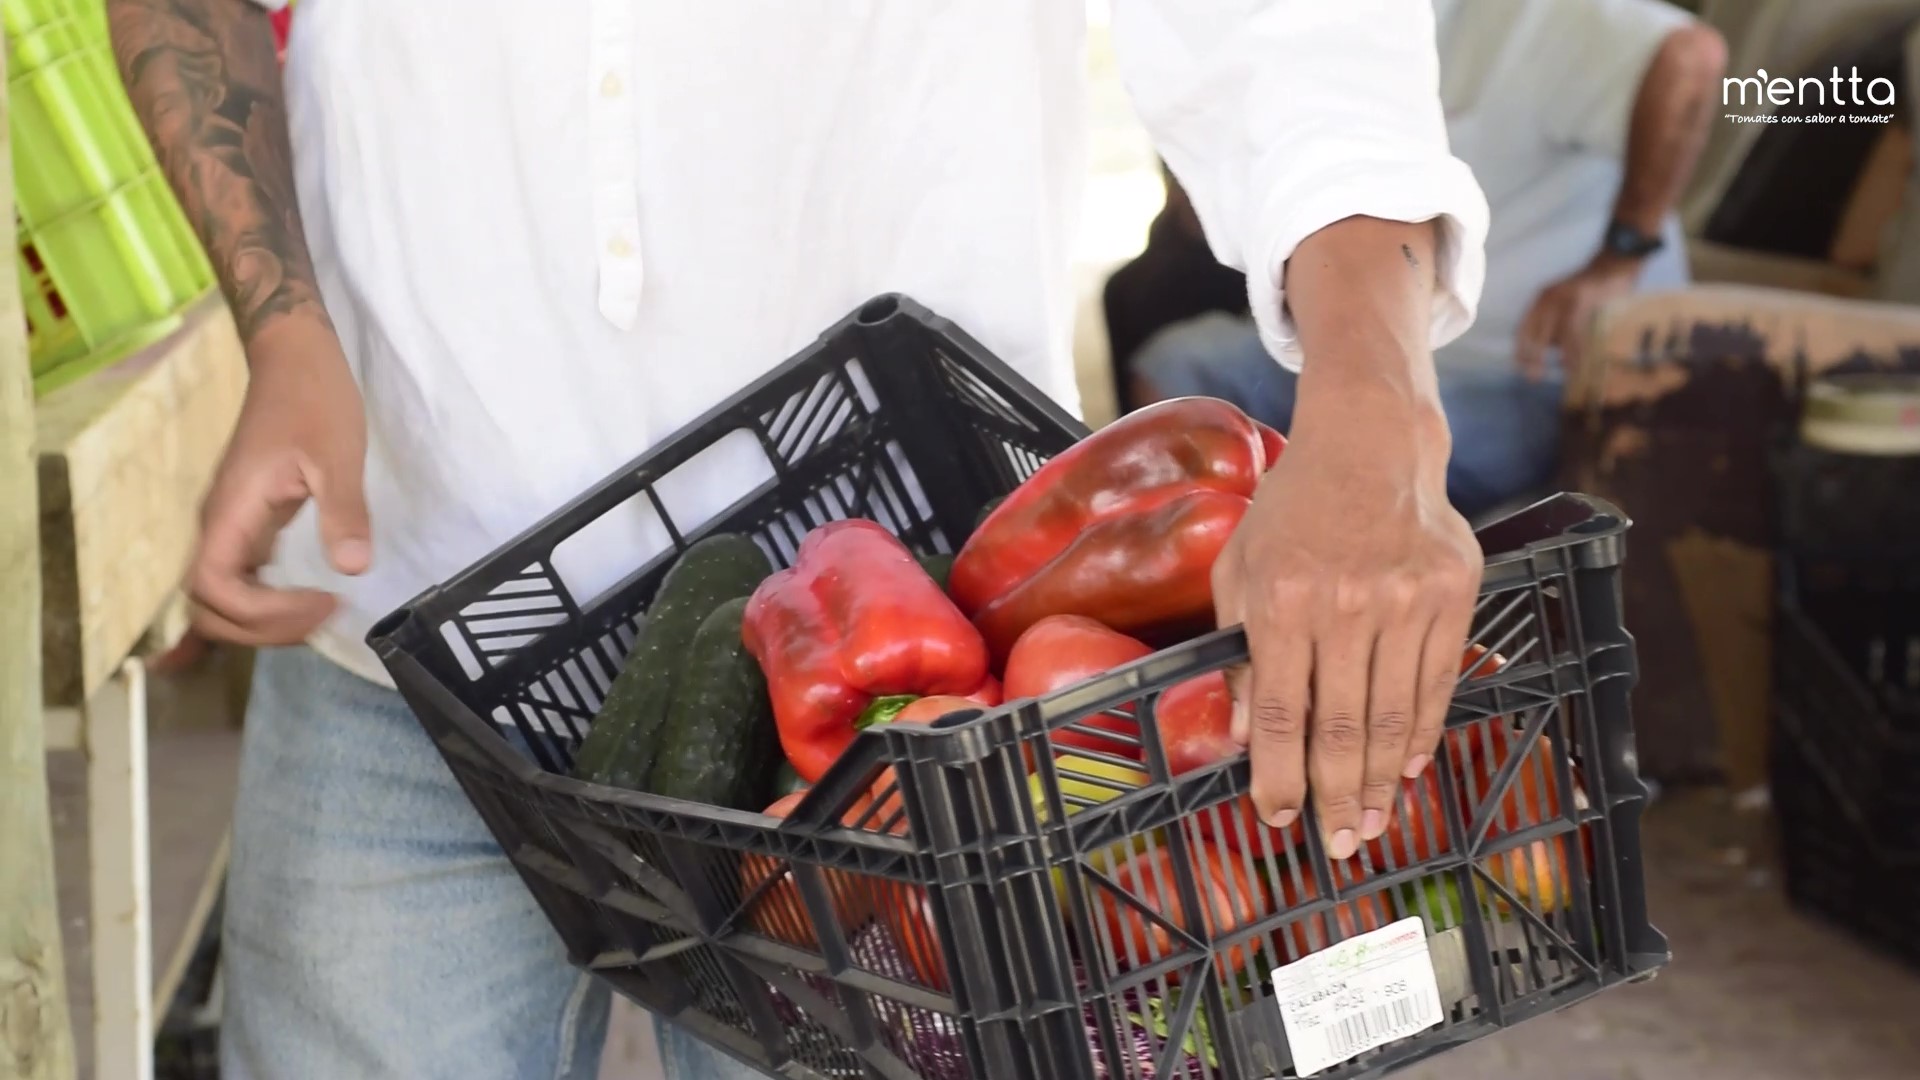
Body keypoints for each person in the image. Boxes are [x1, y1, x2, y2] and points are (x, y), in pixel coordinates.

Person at [107, 1, 1490, 1076]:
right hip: (409, 621)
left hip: (927, 684)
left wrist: (1372, 390)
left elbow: (1290, 28)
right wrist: (277, 317)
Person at [1123, 0, 1728, 521]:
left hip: (1521, 379)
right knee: (1177, 368)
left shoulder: (1536, 22)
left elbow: (1691, 61)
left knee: (1365, 450)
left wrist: (1620, 258)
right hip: (1379, 344)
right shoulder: (1332, 31)